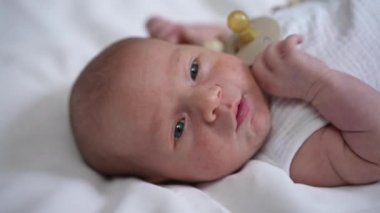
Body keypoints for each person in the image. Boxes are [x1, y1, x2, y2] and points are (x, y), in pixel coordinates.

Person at [69, 14, 380, 187]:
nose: (208, 99)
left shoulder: (237, 55)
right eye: (178, 128)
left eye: (193, 69)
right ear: (166, 178)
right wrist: (318, 86)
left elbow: (229, 40)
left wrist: (190, 31)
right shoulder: (291, 148)